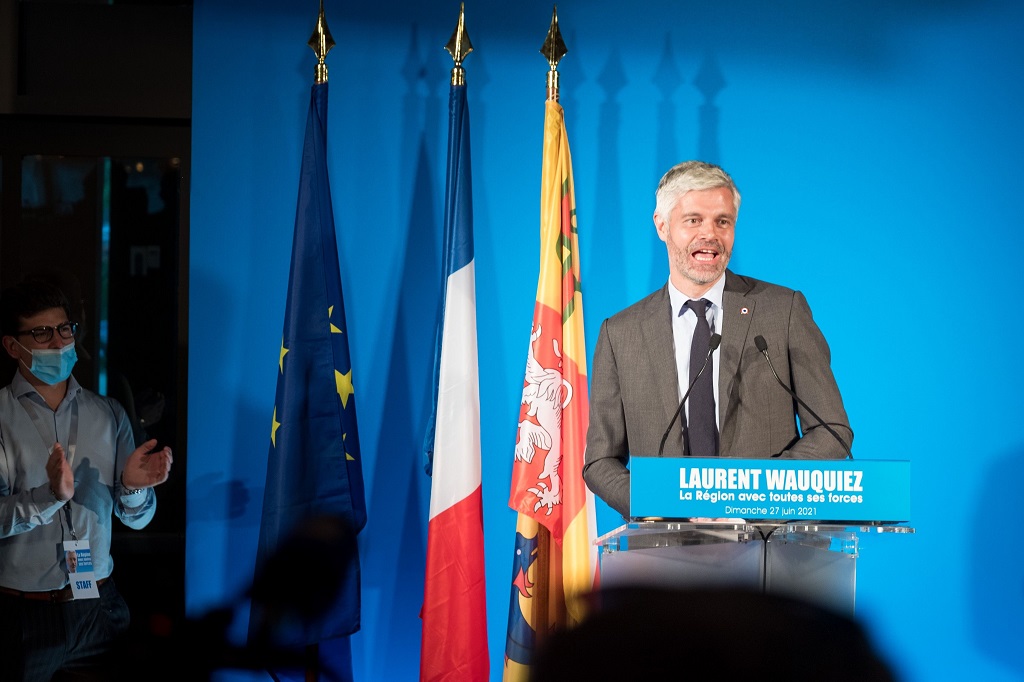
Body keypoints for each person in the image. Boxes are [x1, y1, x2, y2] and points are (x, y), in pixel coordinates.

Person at [583, 161, 852, 517]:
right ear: (662, 226)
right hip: (666, 555)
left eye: (722, 221)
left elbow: (832, 430)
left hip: (770, 547)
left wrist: (759, 494)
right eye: (693, 220)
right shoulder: (621, 333)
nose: (710, 234)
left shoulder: (782, 311)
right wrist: (659, 504)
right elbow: (601, 460)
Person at [0, 280, 173, 681]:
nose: (59, 342)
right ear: (13, 346)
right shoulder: (2, 417)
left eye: (65, 329)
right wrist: (49, 497)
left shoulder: (108, 413)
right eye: (42, 333)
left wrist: (132, 489)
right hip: (26, 616)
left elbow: (137, 520)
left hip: (99, 607)